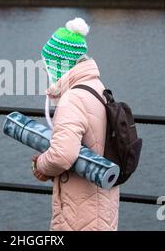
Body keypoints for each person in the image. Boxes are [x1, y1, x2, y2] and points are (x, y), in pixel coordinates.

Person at [32, 17, 119, 231]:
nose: (47, 71)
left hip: (80, 210)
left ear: (60, 63)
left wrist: (41, 165)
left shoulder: (72, 99)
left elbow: (62, 155)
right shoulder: (98, 88)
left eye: (49, 64)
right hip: (101, 202)